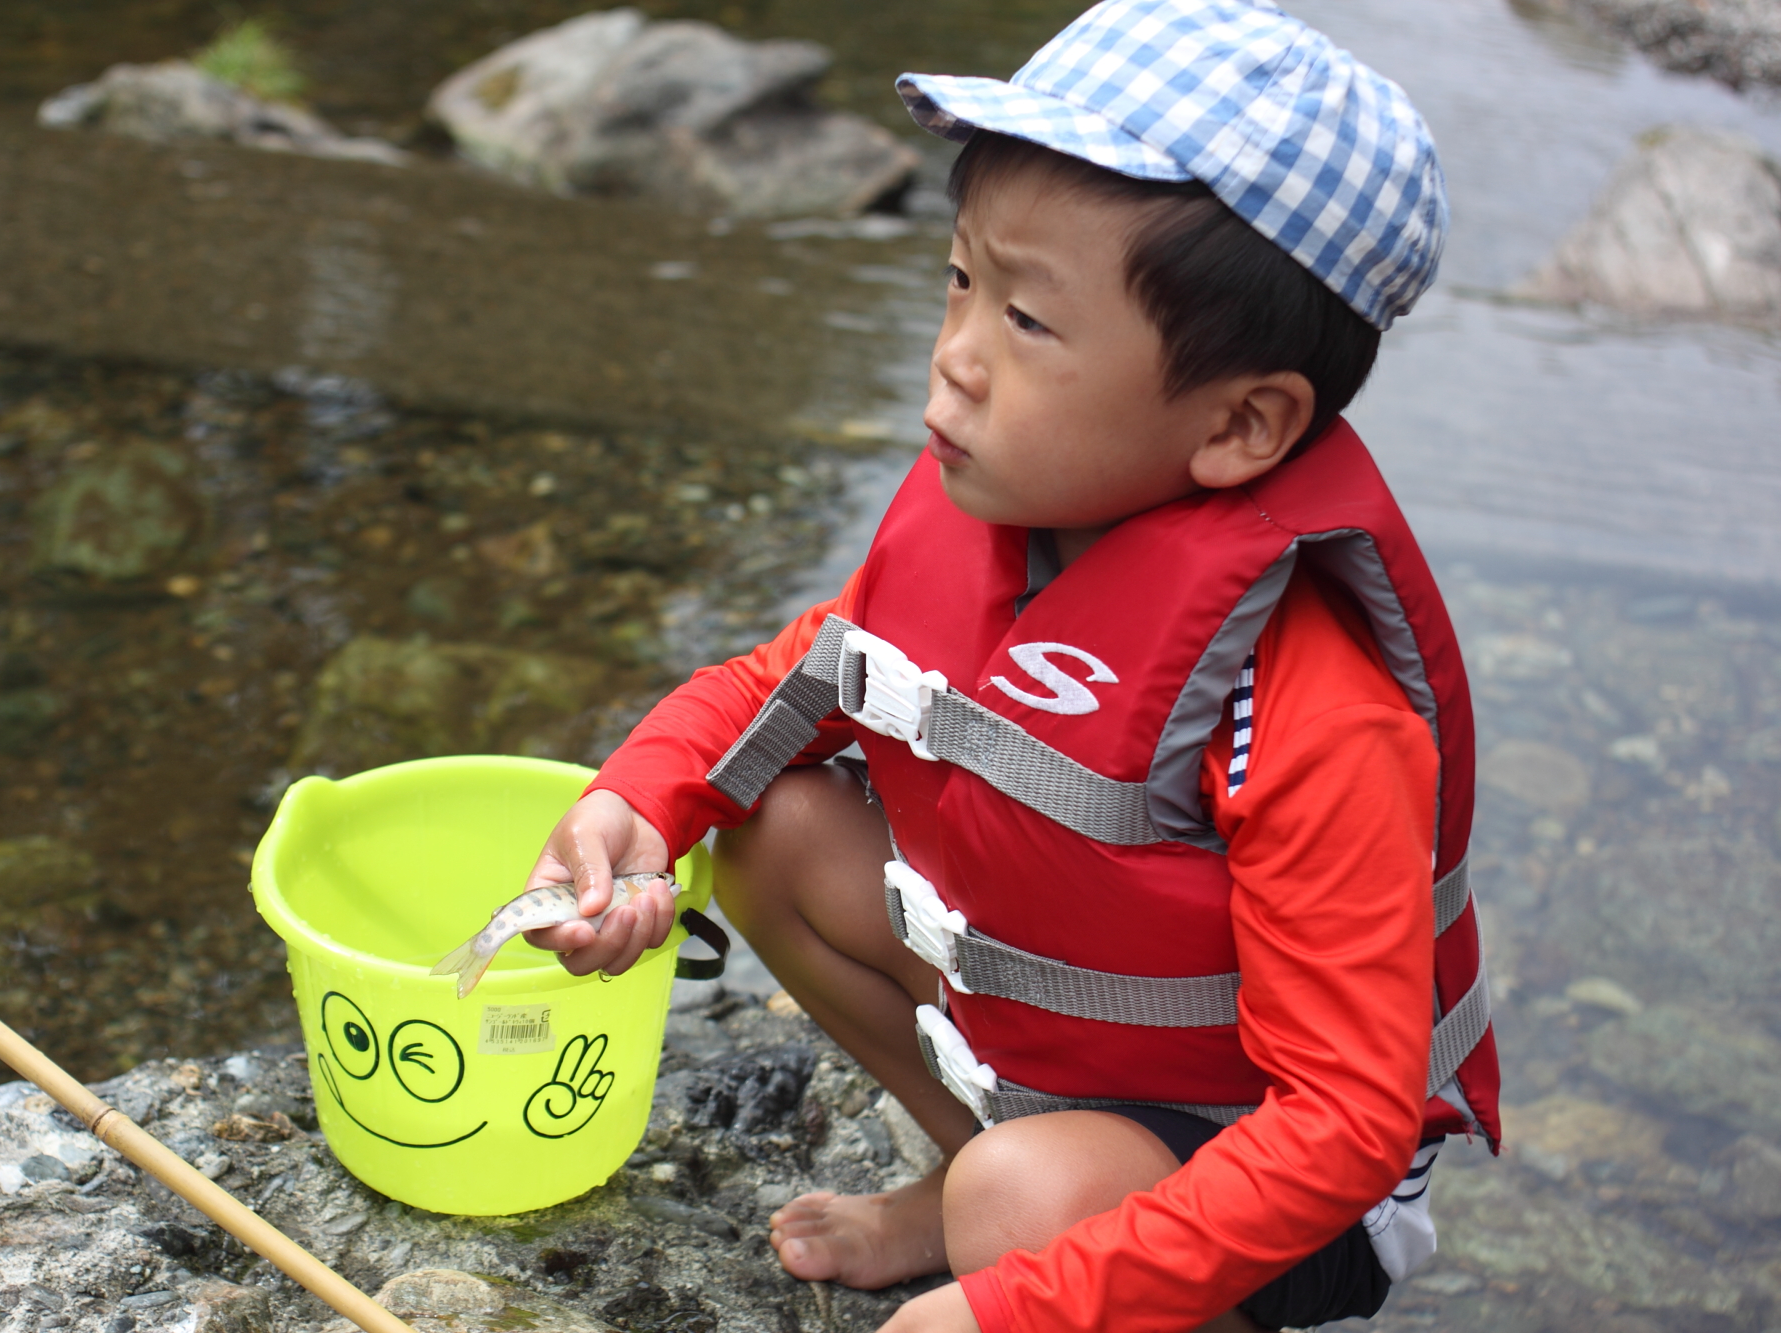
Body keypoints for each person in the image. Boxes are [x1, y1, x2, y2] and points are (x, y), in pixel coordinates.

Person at [520, 2, 1500, 1329]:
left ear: (1243, 422)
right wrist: (636, 806)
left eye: (1029, 320)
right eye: (961, 278)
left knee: (1022, 1212)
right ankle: (974, 1185)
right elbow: (786, 682)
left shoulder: (1316, 711)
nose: (957, 355)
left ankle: (1031, 1235)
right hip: (1060, 1041)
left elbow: (1341, 1126)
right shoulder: (1005, 524)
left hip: (1278, 1168)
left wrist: (1021, 1301)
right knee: (771, 824)